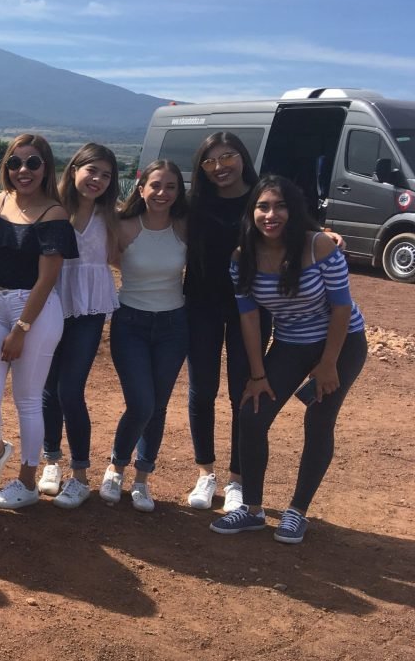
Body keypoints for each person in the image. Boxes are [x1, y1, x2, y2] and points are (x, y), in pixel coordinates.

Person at [212, 176, 367, 544]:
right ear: (252, 213)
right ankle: (252, 510)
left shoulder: (318, 246)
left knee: (319, 420)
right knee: (252, 415)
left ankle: (297, 512)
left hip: (341, 343)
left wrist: (328, 364)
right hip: (290, 344)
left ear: (294, 211)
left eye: (280, 206)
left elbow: (342, 308)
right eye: (263, 206)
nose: (271, 215)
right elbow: (250, 318)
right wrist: (257, 374)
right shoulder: (242, 257)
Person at [0, 135, 77, 510]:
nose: (23, 170)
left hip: (34, 310)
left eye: (33, 163)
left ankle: (28, 482)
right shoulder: (1, 202)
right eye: (15, 163)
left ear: (46, 167)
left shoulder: (54, 214)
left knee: (28, 400)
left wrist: (21, 329)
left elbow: (47, 279)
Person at [99, 160, 189, 512]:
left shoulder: (184, 227)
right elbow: (108, 258)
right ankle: (116, 467)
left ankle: (141, 479)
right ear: (141, 189)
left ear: (178, 192)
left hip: (173, 325)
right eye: (156, 185)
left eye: (171, 186)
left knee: (159, 406)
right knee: (142, 404)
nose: (162, 193)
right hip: (131, 323)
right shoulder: (122, 226)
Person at [183, 132, 264, 513]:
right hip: (201, 305)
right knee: (202, 390)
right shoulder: (195, 204)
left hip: (252, 308)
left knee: (242, 392)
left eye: (228, 156)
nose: (220, 167)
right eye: (210, 161)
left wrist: (325, 235)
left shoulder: (262, 198)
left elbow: (297, 226)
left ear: (242, 157)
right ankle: (205, 472)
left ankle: (237, 479)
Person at [41, 143, 121, 509]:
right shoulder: (53, 209)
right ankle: (51, 460)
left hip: (89, 310)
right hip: (51, 304)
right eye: (92, 170)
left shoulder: (112, 216)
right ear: (74, 169)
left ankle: (80, 475)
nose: (97, 180)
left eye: (106, 175)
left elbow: (122, 256)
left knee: (69, 389)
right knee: (48, 388)